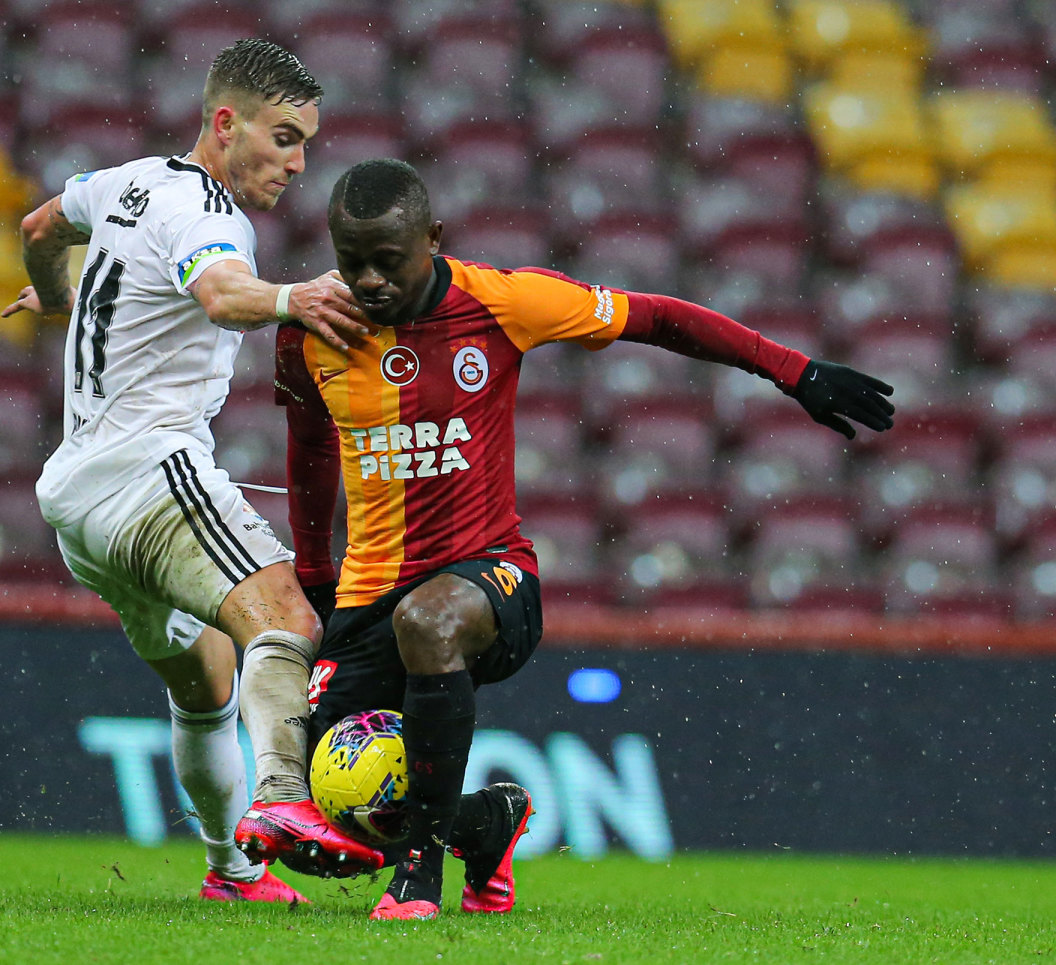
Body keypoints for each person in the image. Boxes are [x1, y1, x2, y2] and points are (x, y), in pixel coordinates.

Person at [273, 158, 896, 920]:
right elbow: (309, 450)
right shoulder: (310, 328)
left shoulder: (503, 302)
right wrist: (312, 568)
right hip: (371, 592)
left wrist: (792, 371)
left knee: (427, 622)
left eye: (388, 261)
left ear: (433, 238)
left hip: (490, 579)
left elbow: (659, 316)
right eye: (351, 260)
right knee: (321, 812)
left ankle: (420, 873)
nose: (368, 280)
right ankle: (484, 824)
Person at [1, 39, 385, 904]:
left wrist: (58, 295)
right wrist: (297, 296)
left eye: (306, 145)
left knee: (205, 682)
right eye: (283, 138)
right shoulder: (209, 215)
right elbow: (220, 292)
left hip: (78, 504)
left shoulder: (122, 182)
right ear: (225, 122)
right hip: (147, 474)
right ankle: (285, 799)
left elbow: (37, 229)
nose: (296, 163)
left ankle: (231, 871)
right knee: (286, 615)